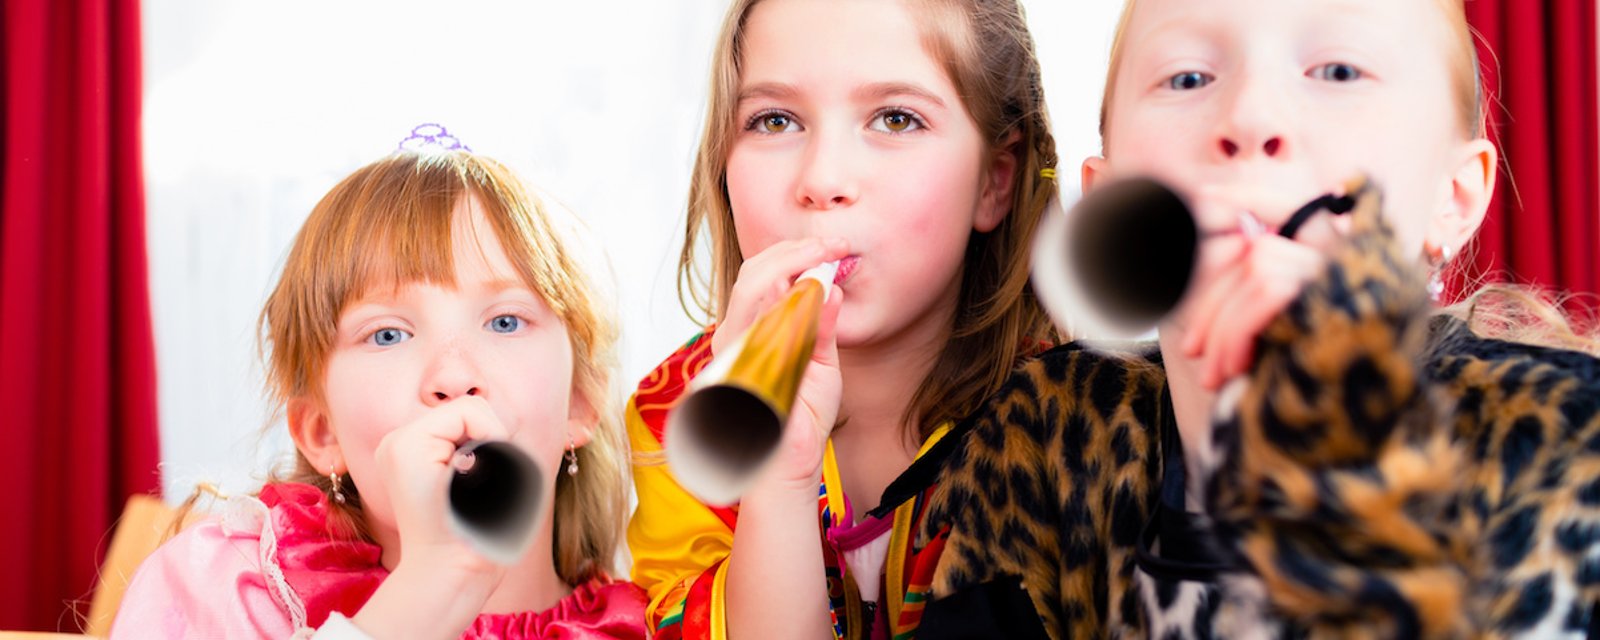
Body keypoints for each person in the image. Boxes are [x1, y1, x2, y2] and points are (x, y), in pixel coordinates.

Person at [931, 0, 1600, 636]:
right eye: (1187, 76)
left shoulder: (1568, 441)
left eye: (1338, 71)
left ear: (1452, 198)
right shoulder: (1048, 433)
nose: (1250, 119)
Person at [623, 0, 1061, 638]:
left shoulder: (1072, 421)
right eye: (774, 120)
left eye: (895, 118)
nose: (823, 180)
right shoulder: (678, 418)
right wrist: (777, 471)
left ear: (995, 181)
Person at [112, 148, 647, 639]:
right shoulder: (228, 589)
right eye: (388, 334)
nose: (454, 377)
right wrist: (431, 587)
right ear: (322, 434)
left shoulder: (659, 623)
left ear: (580, 403)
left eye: (506, 321)